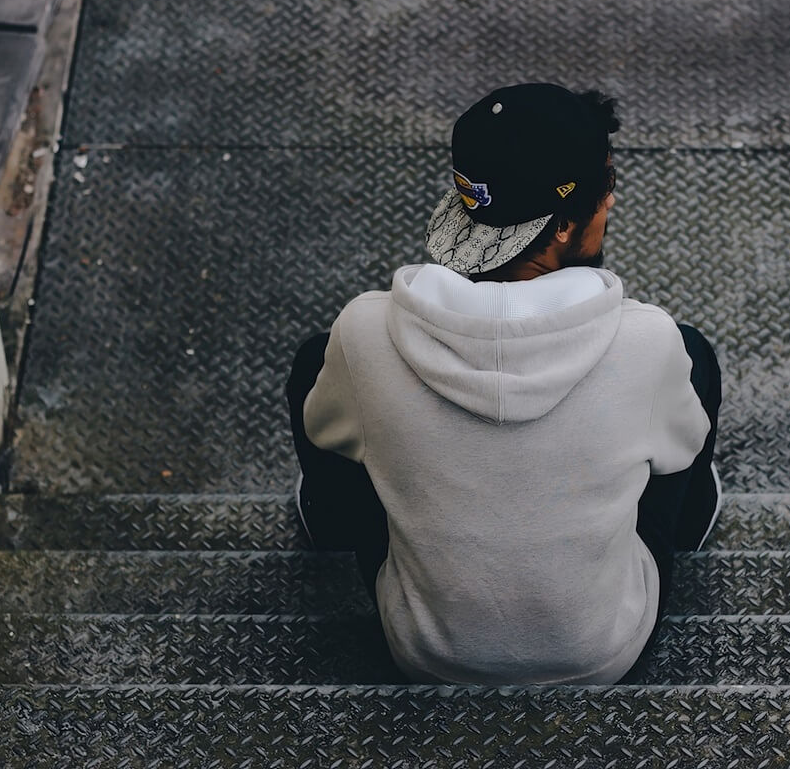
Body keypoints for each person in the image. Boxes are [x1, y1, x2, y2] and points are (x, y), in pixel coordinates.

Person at [287, 83, 721, 685]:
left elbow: (325, 430)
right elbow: (680, 450)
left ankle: (326, 519)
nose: (612, 203)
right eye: (608, 186)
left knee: (318, 365)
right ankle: (696, 520)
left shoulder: (362, 331)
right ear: (567, 223)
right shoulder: (649, 343)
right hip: (600, 650)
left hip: (423, 648)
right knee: (696, 360)